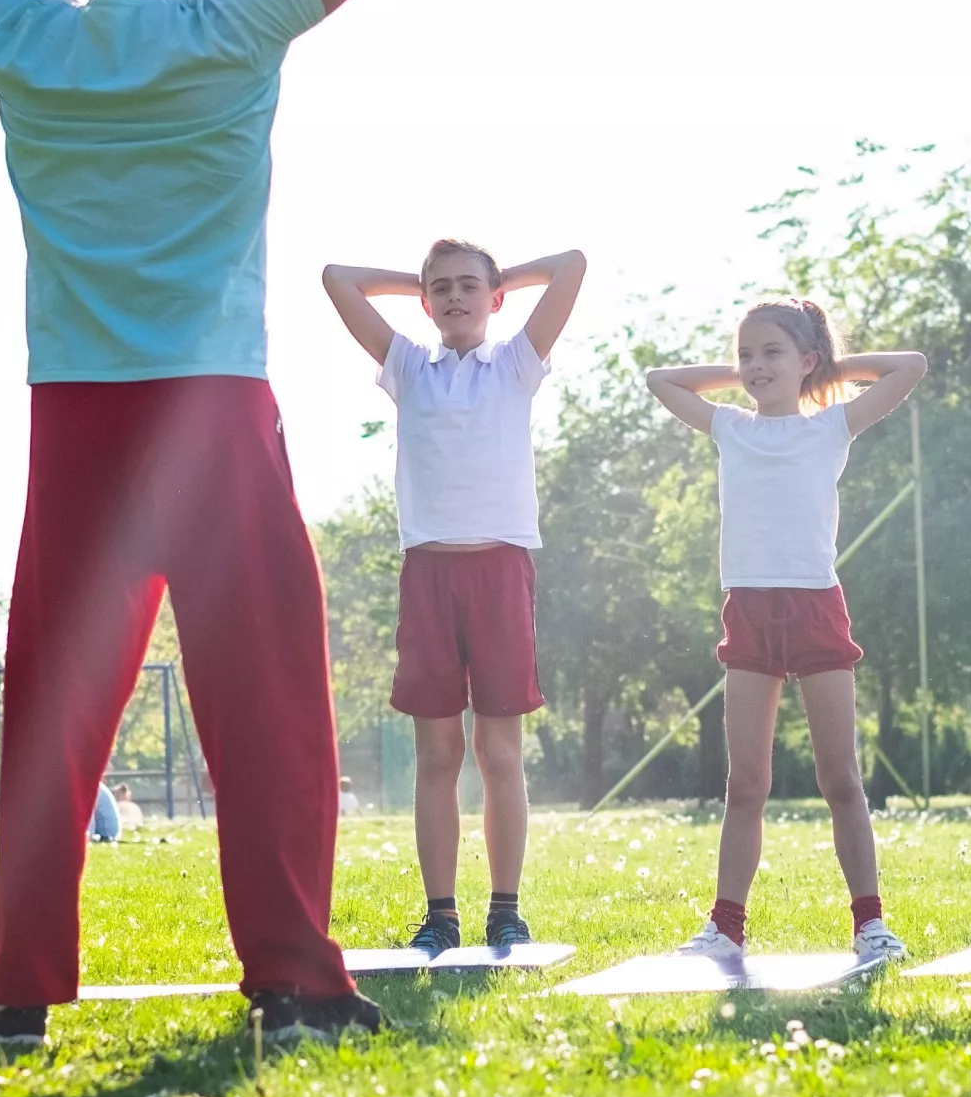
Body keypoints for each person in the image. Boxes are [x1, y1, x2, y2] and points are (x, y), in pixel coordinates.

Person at [0, 0, 405, 1047]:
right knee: (268, 694)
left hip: (78, 404)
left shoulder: (35, 39)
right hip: (211, 403)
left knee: (54, 701)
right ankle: (291, 974)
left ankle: (18, 986)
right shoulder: (235, 24)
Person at [321, 242, 587, 953]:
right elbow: (336, 278)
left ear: (496, 298)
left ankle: (506, 909)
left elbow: (572, 266)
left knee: (498, 750)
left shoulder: (515, 363)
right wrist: (418, 284)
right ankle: (440, 915)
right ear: (424, 301)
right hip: (428, 574)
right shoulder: (410, 366)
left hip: (500, 571)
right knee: (436, 753)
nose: (454, 298)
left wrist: (497, 279)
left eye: (470, 287)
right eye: (440, 289)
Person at [645, 300, 925, 961]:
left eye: (771, 353)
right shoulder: (730, 427)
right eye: (745, 355)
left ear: (806, 362)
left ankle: (870, 925)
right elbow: (661, 379)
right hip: (748, 609)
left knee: (842, 779)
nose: (752, 366)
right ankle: (726, 929)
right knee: (746, 783)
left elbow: (910, 367)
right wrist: (753, 369)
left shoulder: (832, 427)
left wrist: (824, 365)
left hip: (815, 608)